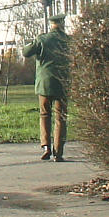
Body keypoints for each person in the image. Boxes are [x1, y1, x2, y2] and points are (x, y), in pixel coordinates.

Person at [22, 14, 69, 161]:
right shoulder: (68, 41)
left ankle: (46, 147)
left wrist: (35, 41)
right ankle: (58, 152)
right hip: (62, 83)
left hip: (44, 83)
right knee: (60, 117)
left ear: (51, 24)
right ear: (62, 23)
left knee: (44, 114)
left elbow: (26, 52)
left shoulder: (42, 39)